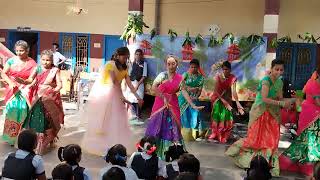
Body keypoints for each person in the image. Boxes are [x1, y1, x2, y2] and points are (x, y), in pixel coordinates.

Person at [225, 59, 291, 176]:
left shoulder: (280, 82)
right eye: (276, 69)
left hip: (273, 113)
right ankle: (254, 163)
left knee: (272, 141)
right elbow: (265, 99)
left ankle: (268, 165)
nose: (279, 72)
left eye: (281, 70)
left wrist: (292, 101)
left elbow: (280, 98)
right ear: (271, 69)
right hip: (260, 112)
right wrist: (281, 104)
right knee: (257, 140)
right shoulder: (266, 81)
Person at [81, 47, 143, 156]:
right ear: (118, 55)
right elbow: (113, 82)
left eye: (127, 57)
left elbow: (130, 85)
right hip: (106, 94)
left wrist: (138, 97)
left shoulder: (125, 68)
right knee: (104, 120)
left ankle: (117, 146)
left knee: (117, 121)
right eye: (124, 57)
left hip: (117, 94)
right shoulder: (110, 65)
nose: (125, 59)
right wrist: (122, 97)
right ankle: (104, 147)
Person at [145, 55, 204, 159]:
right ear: (166, 65)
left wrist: (192, 105)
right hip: (160, 103)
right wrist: (163, 97)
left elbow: (184, 91)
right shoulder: (162, 75)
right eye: (169, 64)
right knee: (157, 125)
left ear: (177, 65)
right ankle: (153, 148)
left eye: (173, 64)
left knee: (173, 127)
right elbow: (154, 87)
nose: (171, 66)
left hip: (173, 103)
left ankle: (171, 151)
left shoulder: (180, 78)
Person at [17, 49, 64, 154]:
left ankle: (48, 140)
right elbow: (30, 80)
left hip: (49, 99)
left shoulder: (55, 70)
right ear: (40, 59)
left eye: (48, 60)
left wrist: (54, 91)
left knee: (49, 120)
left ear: (52, 60)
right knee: (36, 119)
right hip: (38, 98)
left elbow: (60, 84)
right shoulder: (37, 68)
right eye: (43, 60)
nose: (45, 62)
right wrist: (23, 81)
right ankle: (35, 143)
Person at [279, 69, 320, 176]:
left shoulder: (312, 82)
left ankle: (308, 164)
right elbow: (317, 102)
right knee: (309, 141)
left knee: (309, 142)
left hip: (311, 114)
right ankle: (308, 166)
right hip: (311, 115)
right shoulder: (313, 84)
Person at [1, 40, 37, 145]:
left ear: (27, 51)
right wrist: (10, 83)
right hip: (12, 90)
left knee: (22, 112)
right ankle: (10, 138)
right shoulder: (11, 61)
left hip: (25, 91)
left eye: (21, 51)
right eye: (17, 50)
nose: (18, 53)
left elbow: (32, 79)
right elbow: (4, 73)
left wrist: (24, 83)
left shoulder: (32, 63)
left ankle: (21, 139)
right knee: (11, 112)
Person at [208, 60, 244, 143]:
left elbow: (234, 92)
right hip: (218, 98)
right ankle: (215, 133)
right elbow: (216, 91)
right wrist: (224, 101)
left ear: (230, 70)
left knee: (227, 115)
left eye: (227, 69)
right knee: (217, 113)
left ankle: (225, 134)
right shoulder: (218, 77)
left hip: (227, 98)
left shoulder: (233, 78)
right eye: (223, 69)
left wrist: (238, 103)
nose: (225, 71)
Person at [178, 59, 205, 141]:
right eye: (191, 67)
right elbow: (181, 86)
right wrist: (191, 89)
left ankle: (195, 135)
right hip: (183, 100)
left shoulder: (201, 78)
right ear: (189, 67)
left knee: (195, 118)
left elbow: (199, 91)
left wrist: (196, 95)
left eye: (195, 67)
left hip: (194, 100)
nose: (193, 69)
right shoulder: (185, 75)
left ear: (198, 68)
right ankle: (184, 135)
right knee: (184, 118)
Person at [125, 49, 147, 121]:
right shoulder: (131, 63)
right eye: (136, 54)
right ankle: (131, 114)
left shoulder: (144, 64)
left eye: (139, 54)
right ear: (134, 55)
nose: (138, 56)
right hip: (132, 83)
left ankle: (138, 115)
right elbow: (128, 74)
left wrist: (137, 85)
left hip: (139, 83)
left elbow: (144, 76)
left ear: (141, 56)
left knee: (139, 99)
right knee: (131, 98)